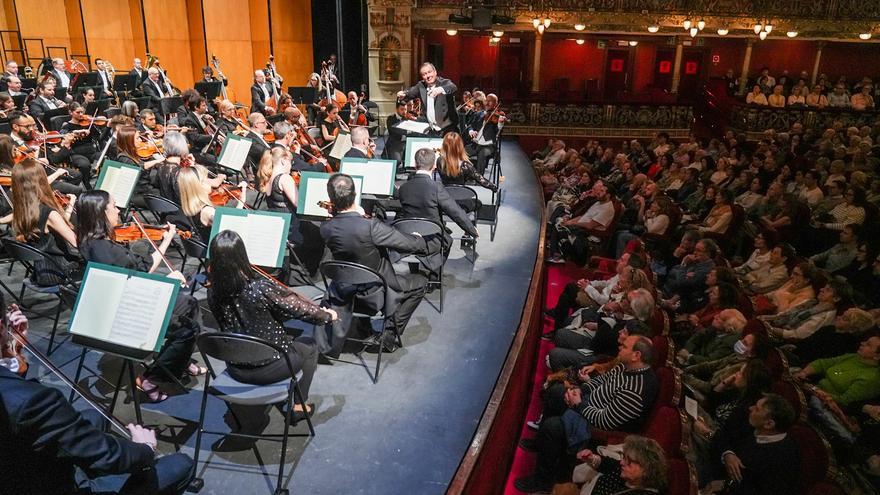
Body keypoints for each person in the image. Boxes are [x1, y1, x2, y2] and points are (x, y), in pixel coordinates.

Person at [75, 190, 204, 403]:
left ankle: (180, 360)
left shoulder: (88, 242)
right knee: (189, 325)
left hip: (113, 305)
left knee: (188, 305)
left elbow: (131, 276)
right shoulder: (110, 251)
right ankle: (151, 378)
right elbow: (144, 272)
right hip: (129, 313)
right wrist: (169, 264)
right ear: (100, 214)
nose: (118, 210)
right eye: (113, 206)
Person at [0, 357, 194, 494]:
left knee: (94, 416)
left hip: (21, 465)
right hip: (44, 486)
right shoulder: (32, 402)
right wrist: (145, 449)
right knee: (181, 465)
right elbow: (111, 456)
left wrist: (11, 356)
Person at [206, 230, 338, 426]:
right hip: (270, 366)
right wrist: (327, 316)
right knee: (309, 346)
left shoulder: (212, 290)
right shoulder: (259, 288)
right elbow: (299, 310)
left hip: (235, 367)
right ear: (242, 255)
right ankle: (299, 406)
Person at [515, 335, 658, 494]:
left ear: (636, 355)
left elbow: (605, 421)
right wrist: (580, 391)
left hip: (595, 424)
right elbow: (601, 381)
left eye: (625, 347)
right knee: (555, 392)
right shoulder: (625, 365)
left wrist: (578, 404)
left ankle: (543, 480)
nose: (619, 346)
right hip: (587, 403)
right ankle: (540, 442)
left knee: (552, 427)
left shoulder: (636, 391)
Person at [320, 173, 437, 355]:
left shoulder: (326, 228)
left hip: (343, 293)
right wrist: (419, 239)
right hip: (374, 296)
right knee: (420, 283)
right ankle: (389, 334)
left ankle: (364, 328)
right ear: (355, 194)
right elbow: (409, 243)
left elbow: (347, 234)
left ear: (331, 199)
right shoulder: (370, 226)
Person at [397, 148, 479, 272]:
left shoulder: (403, 188)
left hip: (408, 237)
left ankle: (414, 271)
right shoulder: (436, 188)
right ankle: (434, 275)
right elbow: (455, 212)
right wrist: (471, 230)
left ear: (415, 164)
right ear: (434, 166)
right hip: (431, 239)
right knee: (448, 240)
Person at [8, 159, 79, 286]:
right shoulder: (49, 213)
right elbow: (76, 242)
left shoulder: (22, 210)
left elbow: (55, 227)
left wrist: (70, 206)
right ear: (41, 182)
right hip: (61, 271)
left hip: (41, 272)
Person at [712, 393, 800, 495]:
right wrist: (728, 453)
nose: (750, 408)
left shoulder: (782, 458)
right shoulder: (755, 424)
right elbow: (725, 435)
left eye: (757, 409)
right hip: (718, 463)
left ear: (769, 424)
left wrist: (726, 485)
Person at [572, 435, 668, 495]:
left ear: (646, 471)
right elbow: (606, 464)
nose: (622, 462)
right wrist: (591, 458)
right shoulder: (624, 471)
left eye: (629, 461)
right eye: (624, 457)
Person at [436, 131, 497, 210]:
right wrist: (494, 187)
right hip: (461, 200)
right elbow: (481, 180)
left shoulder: (439, 161)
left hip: (445, 200)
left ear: (444, 145)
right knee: (478, 203)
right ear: (460, 146)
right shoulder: (465, 166)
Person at [396, 62, 458, 136]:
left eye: (429, 72)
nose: (427, 76)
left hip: (448, 129)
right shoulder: (421, 86)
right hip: (432, 130)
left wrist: (440, 89)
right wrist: (403, 94)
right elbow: (410, 92)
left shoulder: (444, 82)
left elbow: (453, 87)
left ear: (435, 72)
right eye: (424, 74)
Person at [465, 93, 505, 174]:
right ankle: (467, 174)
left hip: (489, 146)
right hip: (476, 144)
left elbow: (498, 130)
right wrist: (471, 131)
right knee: (460, 152)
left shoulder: (497, 116)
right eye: (486, 100)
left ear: (496, 104)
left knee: (482, 153)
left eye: (490, 101)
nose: (487, 103)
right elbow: (470, 125)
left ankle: (480, 178)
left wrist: (500, 123)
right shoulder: (479, 114)